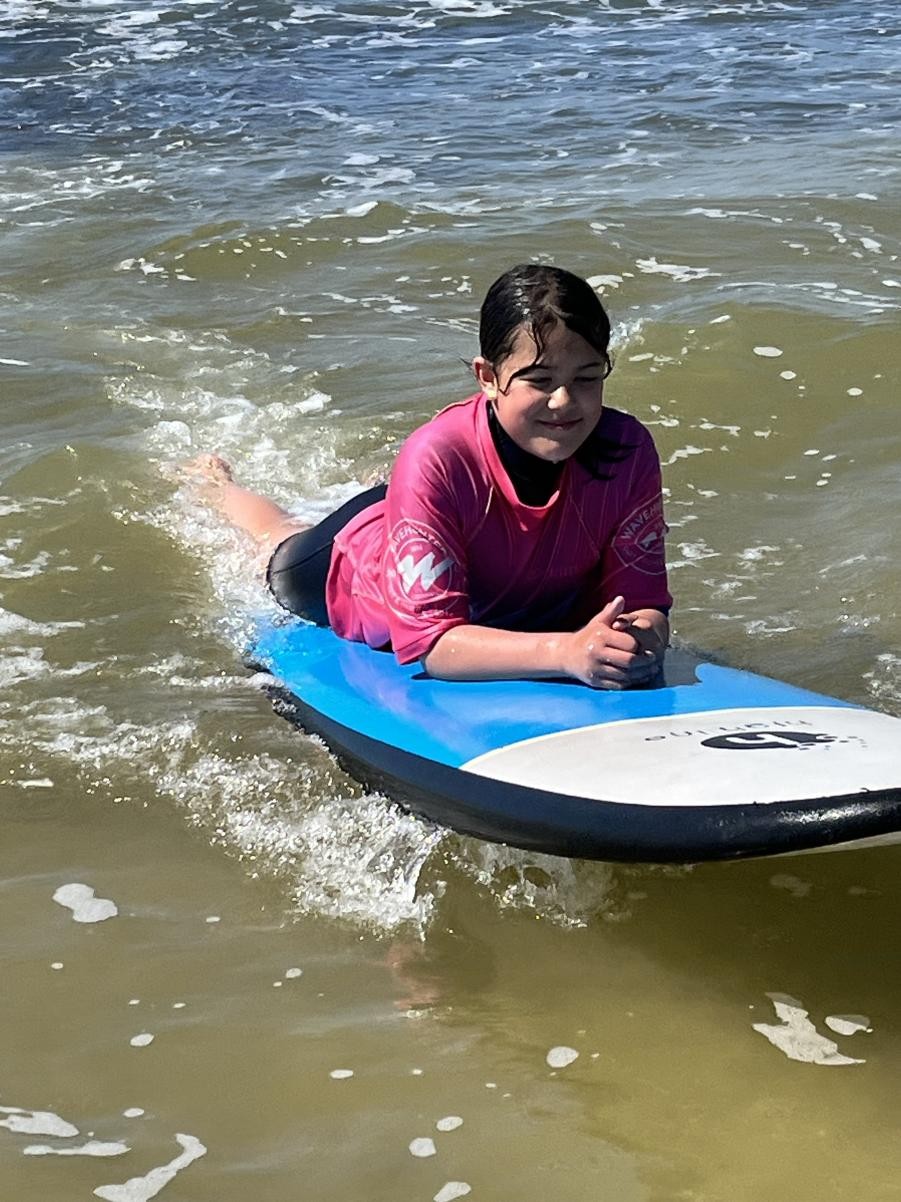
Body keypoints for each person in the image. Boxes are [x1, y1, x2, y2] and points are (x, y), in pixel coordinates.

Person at [188, 264, 672, 690]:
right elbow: (432, 643)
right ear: (487, 377)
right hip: (353, 566)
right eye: (540, 380)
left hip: (440, 510)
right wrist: (565, 653)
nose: (565, 401)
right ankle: (217, 485)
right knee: (278, 539)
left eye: (587, 378)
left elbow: (646, 602)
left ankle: (388, 490)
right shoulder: (435, 456)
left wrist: (633, 637)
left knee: (416, 491)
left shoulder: (627, 451)